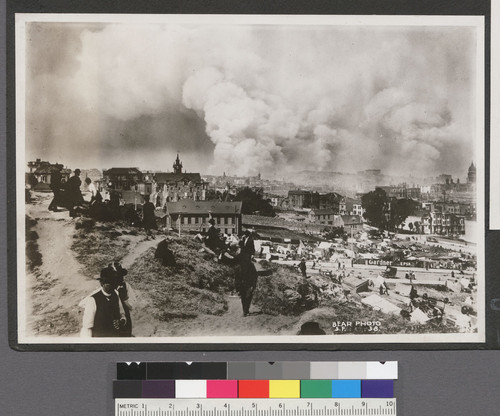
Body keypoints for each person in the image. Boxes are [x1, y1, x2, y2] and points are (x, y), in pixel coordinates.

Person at [80, 267, 126, 337]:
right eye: (108, 283)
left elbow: (122, 314)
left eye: (113, 282)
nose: (112, 285)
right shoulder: (92, 300)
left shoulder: (115, 295)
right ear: (102, 283)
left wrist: (121, 321)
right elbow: (87, 327)